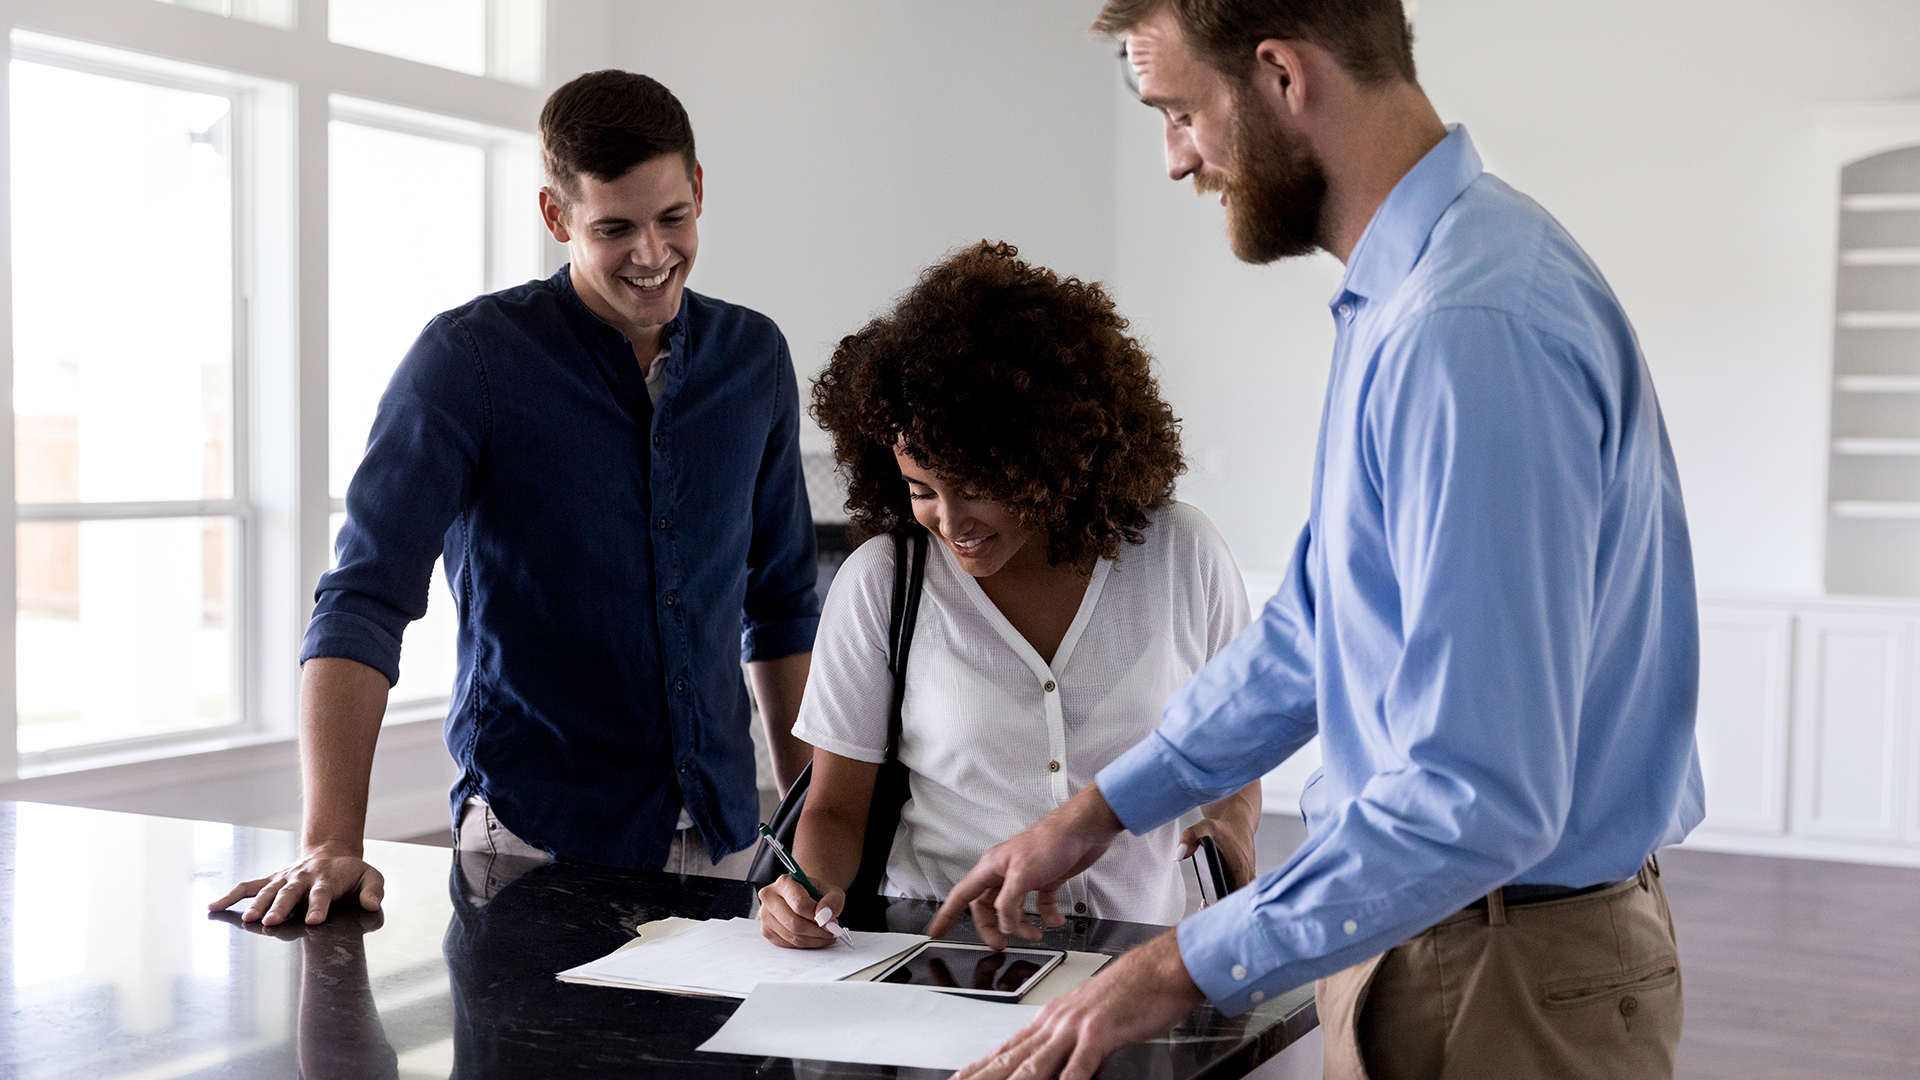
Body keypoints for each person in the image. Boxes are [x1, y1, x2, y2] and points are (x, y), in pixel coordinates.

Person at [933, 4, 1704, 1079]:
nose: (1174, 159)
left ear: (1282, 77)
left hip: (1504, 968)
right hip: (1443, 937)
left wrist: (1174, 967)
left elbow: (1480, 795)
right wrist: (1096, 815)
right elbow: (1317, 628)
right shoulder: (1416, 292)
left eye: (1181, 112)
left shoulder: (1464, 328)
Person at [213, 70, 822, 926]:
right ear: (556, 215)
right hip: (532, 845)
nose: (652, 255)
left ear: (697, 189)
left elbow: (785, 606)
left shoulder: (753, 357)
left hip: (725, 838)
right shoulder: (469, 362)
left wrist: (813, 837)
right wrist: (330, 841)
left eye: (672, 219)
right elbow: (362, 601)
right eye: (615, 228)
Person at [758, 242, 1263, 948]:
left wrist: (1232, 830)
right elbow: (836, 809)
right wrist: (805, 891)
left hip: (1132, 955)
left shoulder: (1181, 555)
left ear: (1047, 458)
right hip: (940, 954)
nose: (951, 521)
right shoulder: (882, 582)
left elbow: (1234, 757)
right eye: (921, 490)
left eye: (977, 487)